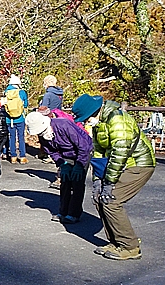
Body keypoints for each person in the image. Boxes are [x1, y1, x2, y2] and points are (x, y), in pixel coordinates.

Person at [71, 94, 156, 261]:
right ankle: (116, 242)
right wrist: (97, 181)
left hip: (138, 164)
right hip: (118, 165)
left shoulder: (117, 120)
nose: (86, 122)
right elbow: (98, 152)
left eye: (86, 119)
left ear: (95, 112)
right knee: (99, 198)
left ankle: (130, 246)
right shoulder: (99, 124)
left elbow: (120, 152)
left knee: (111, 200)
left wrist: (109, 183)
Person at [25, 111, 92, 223]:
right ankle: (63, 212)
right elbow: (51, 151)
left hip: (83, 152)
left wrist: (79, 165)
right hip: (66, 155)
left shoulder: (63, 125)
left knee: (77, 181)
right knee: (65, 181)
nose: (41, 134)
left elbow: (83, 146)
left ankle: (74, 214)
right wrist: (62, 164)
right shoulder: (42, 135)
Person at [3, 74, 29, 163]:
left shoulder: (6, 92)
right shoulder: (22, 92)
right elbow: (25, 104)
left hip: (9, 119)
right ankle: (22, 157)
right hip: (20, 118)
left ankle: (13, 156)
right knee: (21, 137)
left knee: (11, 137)